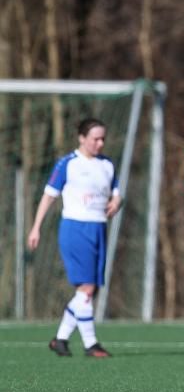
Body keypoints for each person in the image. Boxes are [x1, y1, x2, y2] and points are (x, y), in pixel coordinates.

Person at [30, 118, 120, 358]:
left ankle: (60, 340)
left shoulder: (107, 164)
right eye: (95, 139)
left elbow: (115, 192)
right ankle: (91, 344)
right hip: (75, 228)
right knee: (87, 288)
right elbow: (49, 196)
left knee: (89, 290)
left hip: (99, 228)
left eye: (103, 139)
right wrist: (36, 227)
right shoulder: (67, 164)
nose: (100, 143)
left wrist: (117, 201)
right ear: (81, 138)